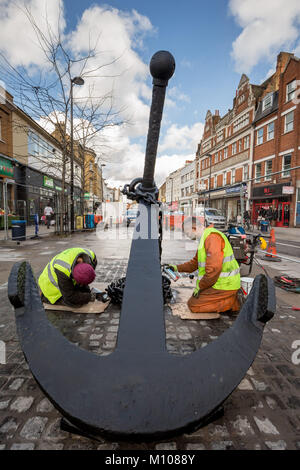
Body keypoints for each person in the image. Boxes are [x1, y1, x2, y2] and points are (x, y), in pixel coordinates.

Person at [168, 218, 241, 317]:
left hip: (224, 285)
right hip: (217, 283)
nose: (187, 236)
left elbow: (213, 270)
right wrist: (176, 268)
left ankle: (231, 304)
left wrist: (201, 286)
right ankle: (230, 299)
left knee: (194, 306)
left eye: (187, 233)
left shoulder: (212, 238)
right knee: (194, 300)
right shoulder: (205, 238)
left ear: (194, 228)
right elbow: (194, 264)